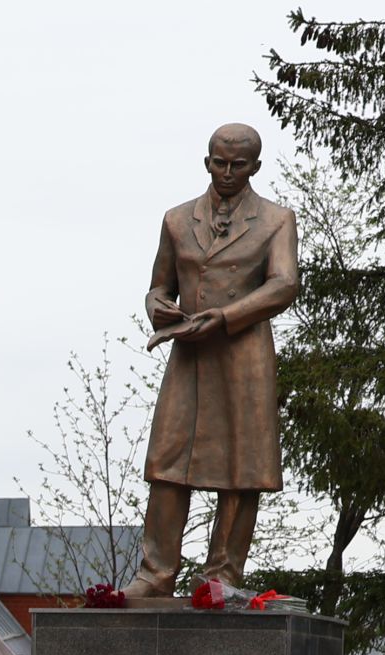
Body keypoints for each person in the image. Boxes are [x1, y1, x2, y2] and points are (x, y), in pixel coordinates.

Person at [125, 124, 299, 599]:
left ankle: (221, 577)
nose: (226, 171)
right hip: (189, 354)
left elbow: (284, 284)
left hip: (243, 354)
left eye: (237, 164)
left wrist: (224, 317)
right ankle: (156, 572)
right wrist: (157, 304)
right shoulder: (178, 220)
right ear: (206, 161)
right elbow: (160, 284)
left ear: (255, 167)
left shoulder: (276, 220)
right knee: (168, 459)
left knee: (242, 467)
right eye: (219, 162)